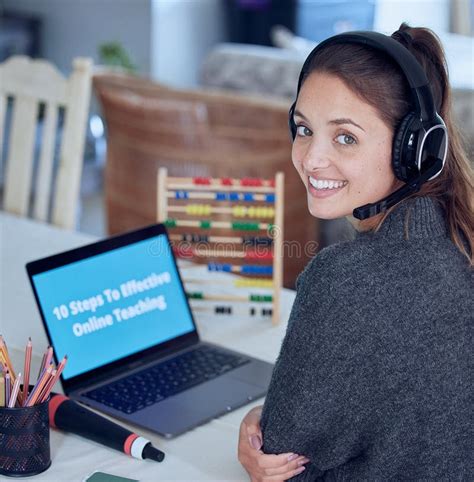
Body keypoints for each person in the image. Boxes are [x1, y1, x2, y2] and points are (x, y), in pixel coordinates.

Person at [238, 23, 473, 481]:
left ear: (413, 149)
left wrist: (257, 430)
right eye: (303, 128)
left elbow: (283, 463)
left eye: (345, 137)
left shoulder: (344, 277)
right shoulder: (460, 239)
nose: (310, 158)